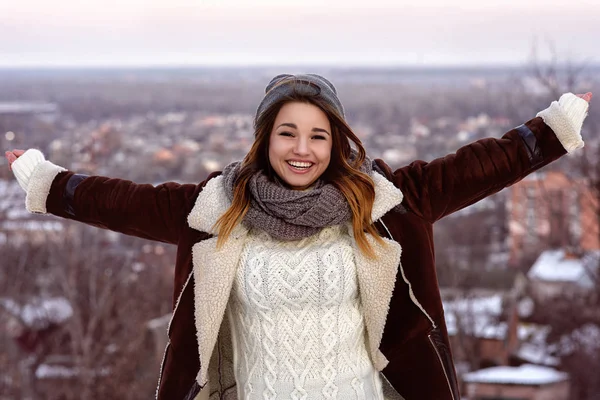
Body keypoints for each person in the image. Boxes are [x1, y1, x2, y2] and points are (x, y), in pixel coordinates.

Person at [5, 73, 592, 400]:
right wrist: (45, 179)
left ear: (336, 142)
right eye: (288, 132)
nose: (302, 149)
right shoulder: (216, 208)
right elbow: (123, 202)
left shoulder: (384, 201)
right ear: (264, 140)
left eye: (318, 135)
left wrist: (554, 127)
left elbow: (478, 166)